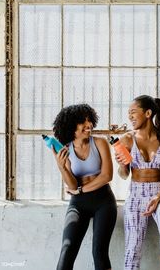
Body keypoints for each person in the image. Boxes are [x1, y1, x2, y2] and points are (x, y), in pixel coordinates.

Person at [115, 95, 160, 270]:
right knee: (132, 246)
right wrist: (122, 164)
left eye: (133, 112)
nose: (130, 117)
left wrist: (157, 198)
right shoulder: (126, 139)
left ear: (148, 113)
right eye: (129, 113)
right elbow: (123, 175)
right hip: (135, 195)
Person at [52, 104, 117, 270]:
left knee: (99, 253)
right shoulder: (66, 149)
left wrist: (80, 190)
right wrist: (61, 167)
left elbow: (106, 176)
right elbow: (72, 184)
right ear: (71, 125)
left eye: (90, 120)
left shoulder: (100, 143)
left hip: (104, 201)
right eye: (83, 122)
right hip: (78, 204)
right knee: (67, 250)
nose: (89, 125)